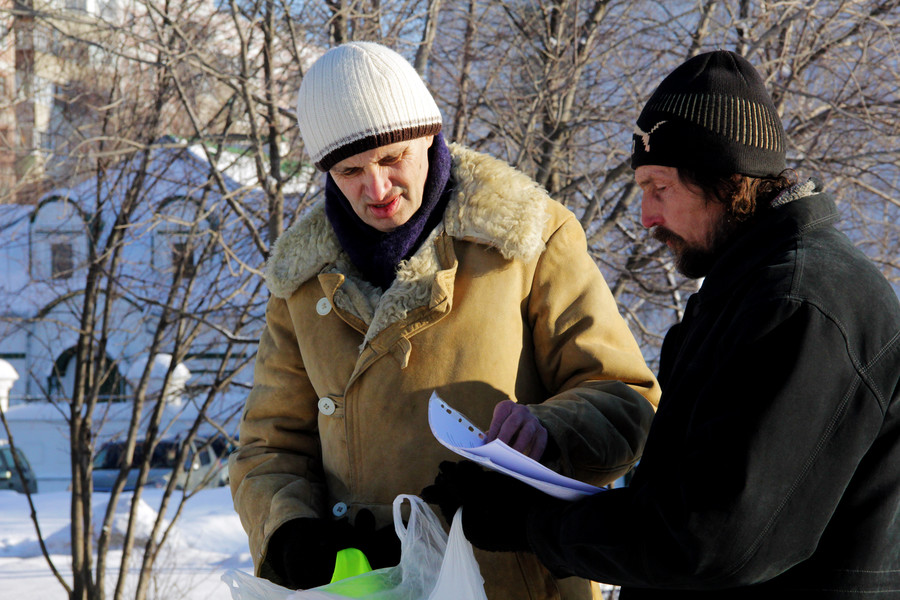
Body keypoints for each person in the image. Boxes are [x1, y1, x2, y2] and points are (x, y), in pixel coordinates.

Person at [423, 50, 900, 598]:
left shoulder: (799, 305)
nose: (646, 216)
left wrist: (534, 525)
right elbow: (683, 505)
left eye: (660, 188)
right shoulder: (747, 289)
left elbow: (709, 539)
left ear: (726, 182)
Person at [228, 41, 661, 600]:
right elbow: (268, 447)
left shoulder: (525, 239)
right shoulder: (300, 281)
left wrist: (549, 433)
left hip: (512, 579)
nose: (375, 189)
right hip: (366, 584)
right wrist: (289, 533)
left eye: (391, 159)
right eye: (350, 170)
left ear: (429, 137)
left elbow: (625, 397)